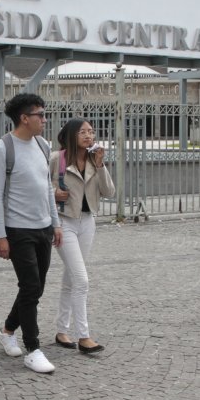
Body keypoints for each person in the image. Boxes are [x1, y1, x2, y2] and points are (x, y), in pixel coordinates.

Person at [0, 93, 62, 374]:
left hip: (43, 226)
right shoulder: (2, 149)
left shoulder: (43, 145)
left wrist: (55, 223)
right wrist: (0, 235)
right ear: (24, 118)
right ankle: (33, 349)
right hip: (18, 230)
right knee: (31, 287)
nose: (44, 120)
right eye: (40, 115)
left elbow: (46, 187)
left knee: (36, 287)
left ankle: (7, 330)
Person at [50, 118, 114, 354]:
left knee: (71, 278)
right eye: (83, 132)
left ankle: (61, 330)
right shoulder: (57, 159)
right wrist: (54, 193)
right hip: (64, 223)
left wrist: (100, 165)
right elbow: (41, 187)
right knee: (82, 280)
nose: (89, 136)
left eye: (91, 132)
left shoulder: (93, 161)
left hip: (87, 222)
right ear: (71, 135)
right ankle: (84, 336)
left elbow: (109, 191)